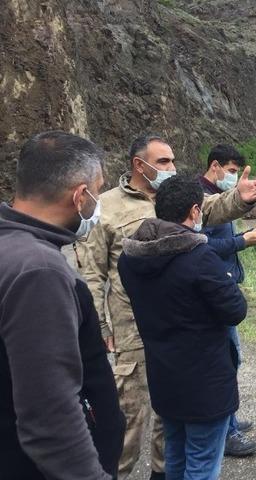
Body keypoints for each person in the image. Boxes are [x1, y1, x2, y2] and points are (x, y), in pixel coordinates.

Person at [76, 134, 256, 480]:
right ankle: (112, 472)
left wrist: (239, 199)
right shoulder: (107, 207)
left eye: (173, 161)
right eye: (163, 161)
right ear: (139, 164)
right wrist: (101, 327)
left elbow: (209, 209)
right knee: (130, 416)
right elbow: (91, 273)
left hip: (177, 330)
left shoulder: (173, 198)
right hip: (133, 329)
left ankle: (162, 474)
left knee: (171, 418)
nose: (172, 168)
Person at [0, 131, 125, 479]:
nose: (97, 204)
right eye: (98, 191)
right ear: (80, 196)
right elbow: (49, 415)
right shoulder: (38, 271)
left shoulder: (11, 248)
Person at [118, 175, 247, 480]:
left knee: (175, 456)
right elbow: (236, 310)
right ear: (193, 211)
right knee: (202, 464)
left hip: (165, 378)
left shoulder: (130, 257)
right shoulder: (199, 258)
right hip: (206, 385)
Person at [199, 144, 256, 457]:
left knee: (231, 360)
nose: (234, 178)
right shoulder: (200, 200)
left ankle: (228, 420)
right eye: (231, 171)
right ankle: (226, 433)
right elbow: (200, 247)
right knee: (224, 364)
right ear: (214, 166)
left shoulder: (221, 198)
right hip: (212, 292)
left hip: (224, 287)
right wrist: (245, 240)